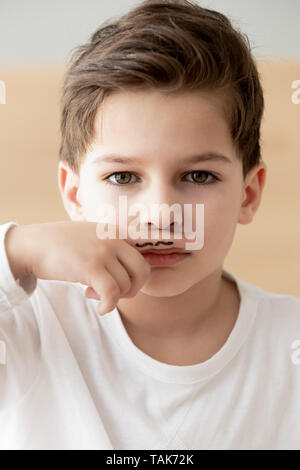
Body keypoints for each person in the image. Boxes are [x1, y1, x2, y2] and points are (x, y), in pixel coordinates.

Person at [1, 0, 300, 451]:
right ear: (75, 193)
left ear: (248, 193)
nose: (160, 214)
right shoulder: (26, 326)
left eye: (199, 176)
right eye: (123, 177)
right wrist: (17, 247)